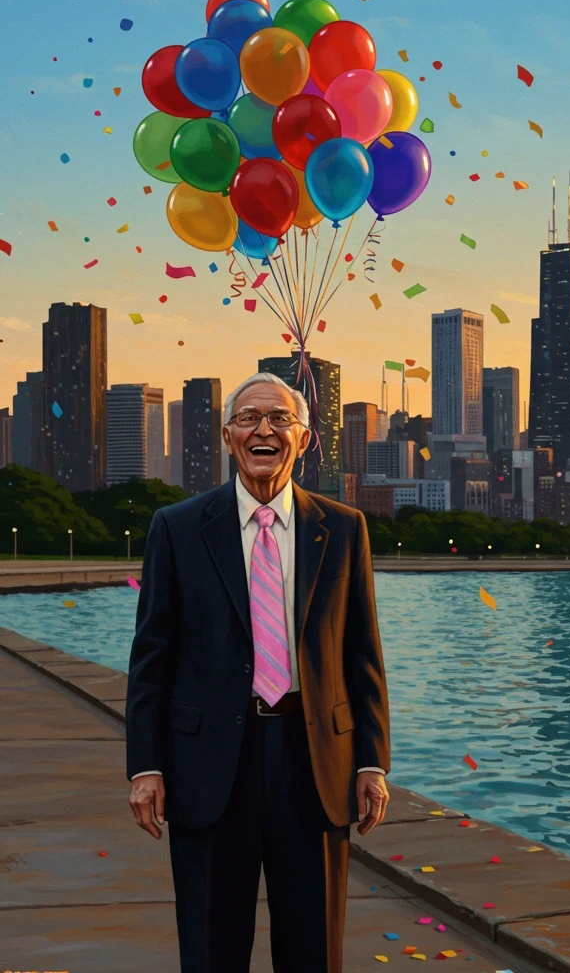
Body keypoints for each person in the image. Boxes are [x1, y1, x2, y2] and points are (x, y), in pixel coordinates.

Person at [125, 371, 390, 972]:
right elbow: (151, 660)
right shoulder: (177, 527)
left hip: (315, 762)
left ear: (304, 438)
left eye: (279, 418)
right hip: (208, 766)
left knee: (314, 951)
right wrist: (145, 766)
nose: (263, 430)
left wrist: (372, 762)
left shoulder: (344, 528)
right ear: (228, 436)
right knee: (211, 951)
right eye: (248, 418)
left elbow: (362, 655)